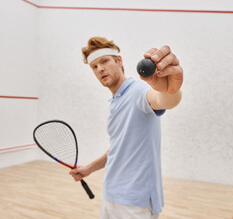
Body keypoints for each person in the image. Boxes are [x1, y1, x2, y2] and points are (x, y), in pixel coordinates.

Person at [69, 37, 183, 219]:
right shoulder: (115, 101)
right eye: (94, 66)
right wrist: (89, 168)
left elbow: (164, 100)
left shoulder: (137, 90)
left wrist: (171, 91)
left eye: (104, 61)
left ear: (119, 61)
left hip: (134, 203)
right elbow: (118, 147)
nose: (100, 69)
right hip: (110, 193)